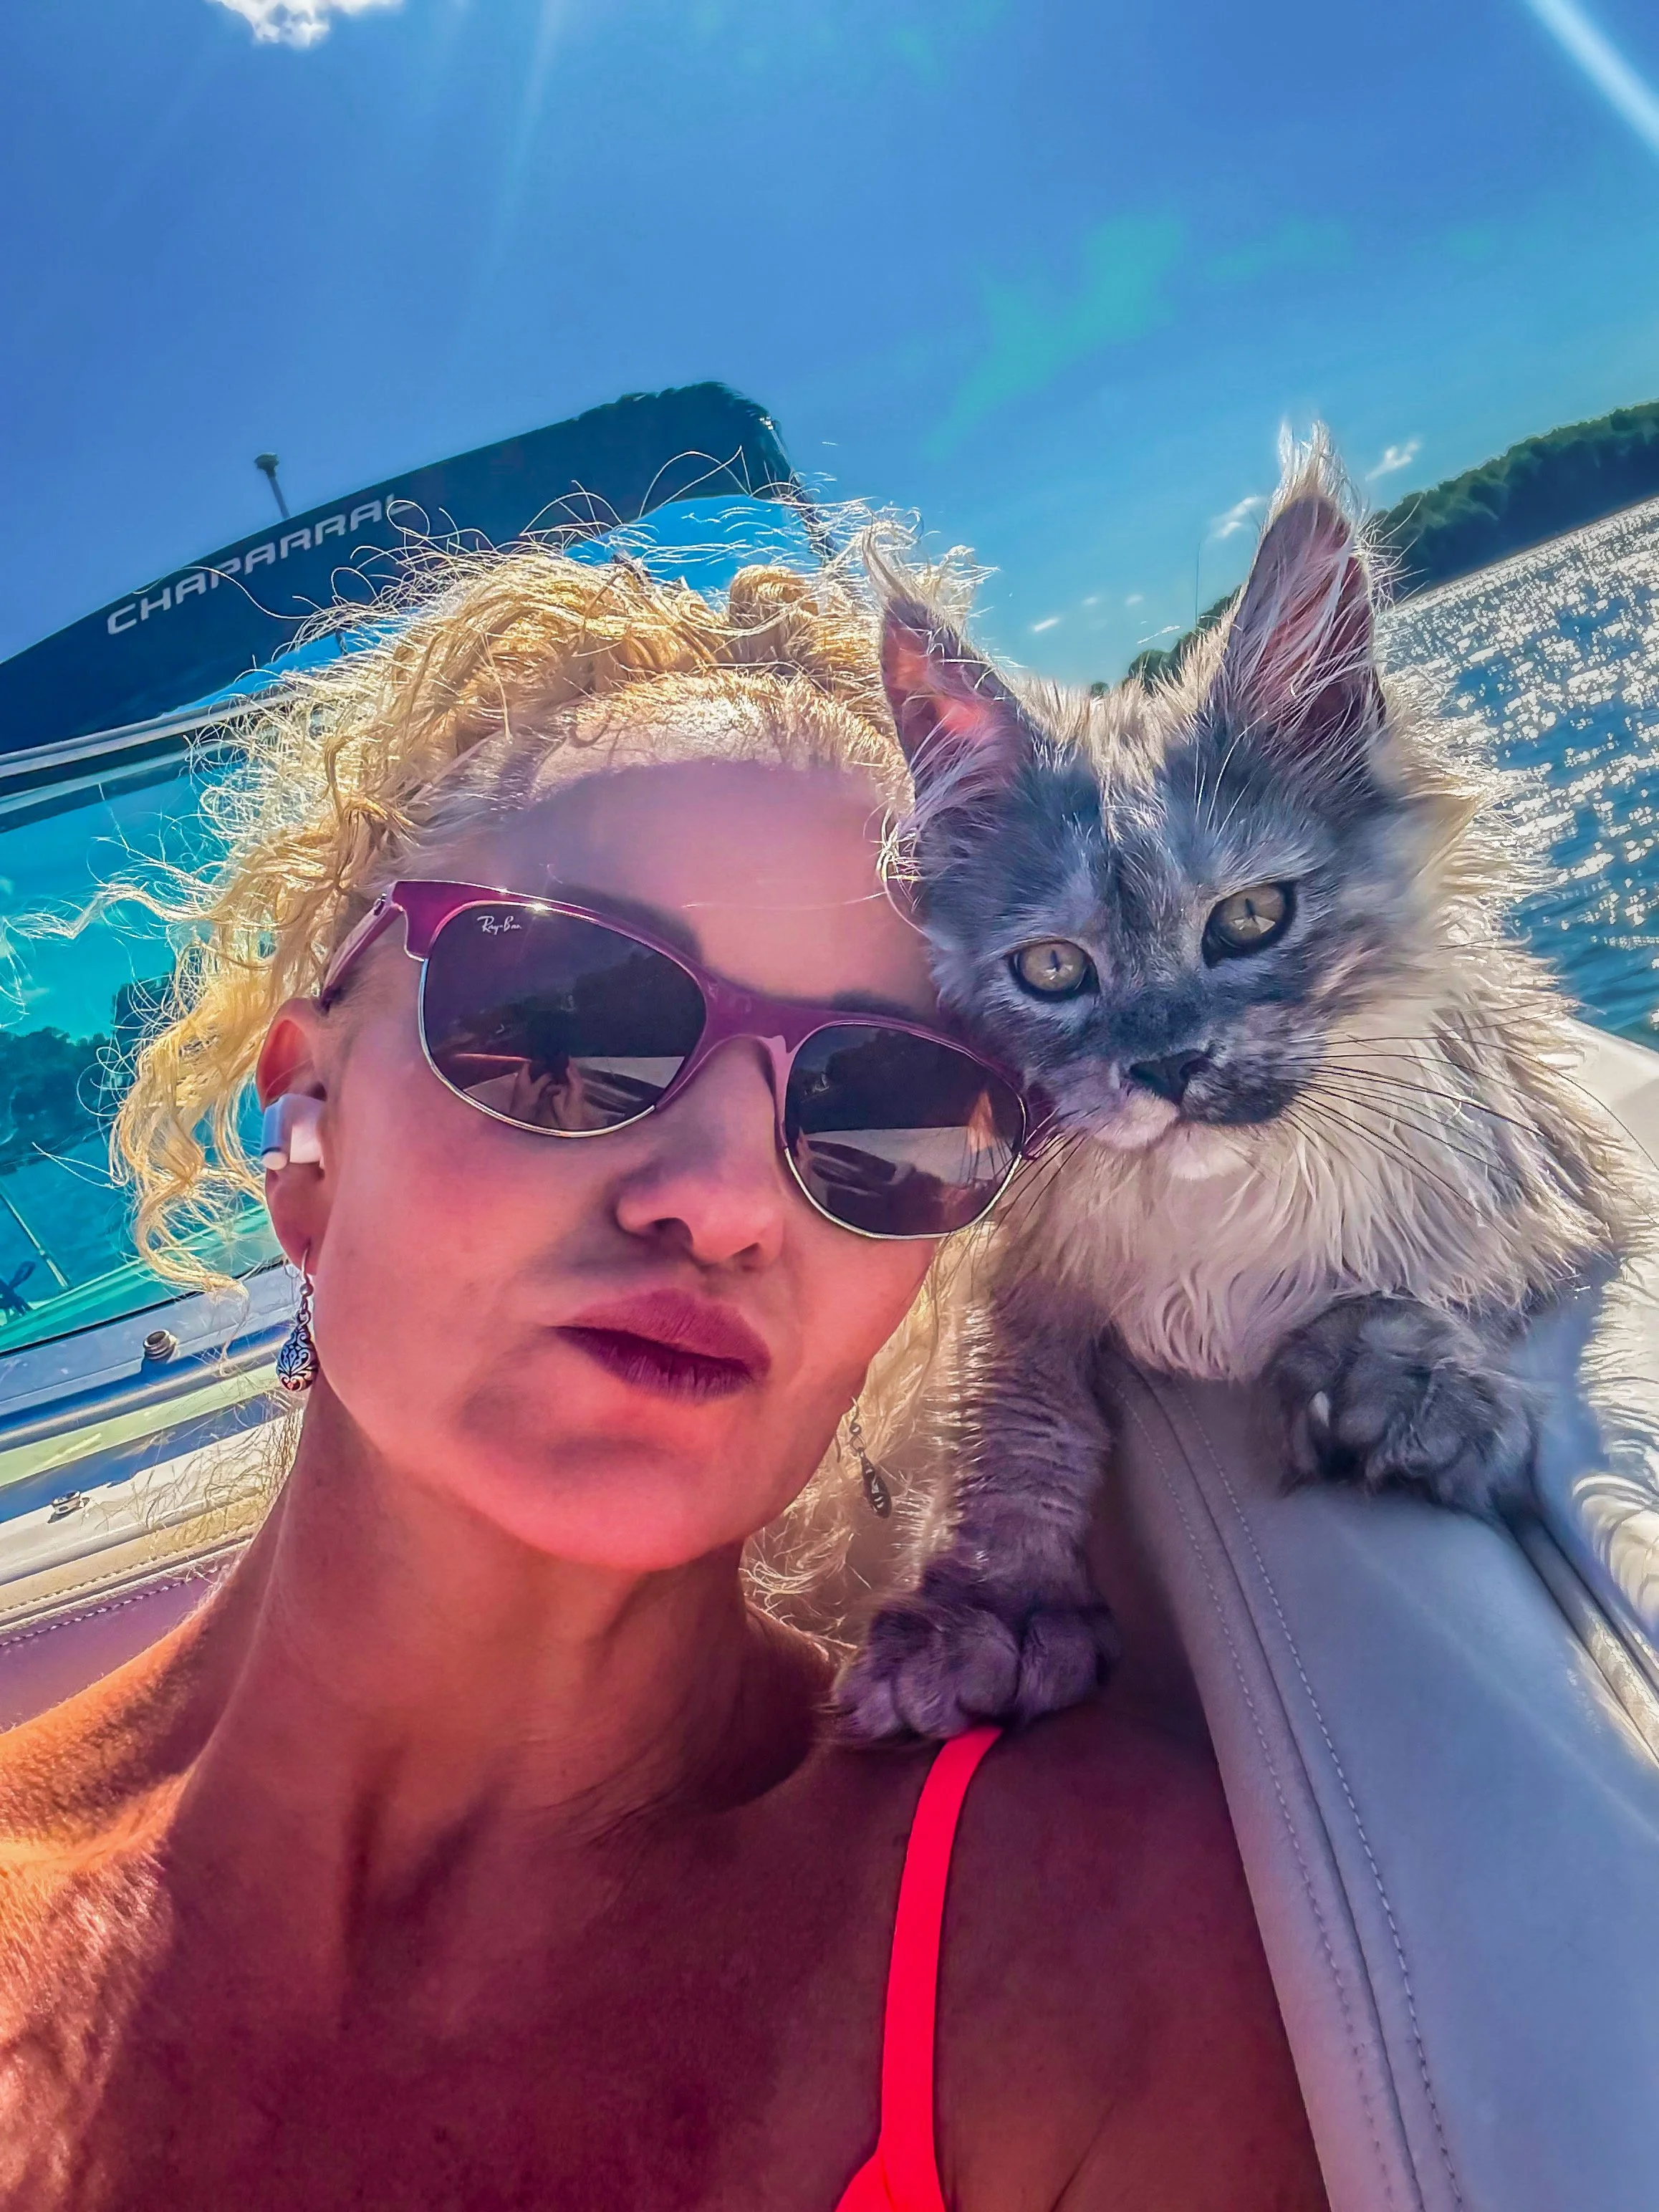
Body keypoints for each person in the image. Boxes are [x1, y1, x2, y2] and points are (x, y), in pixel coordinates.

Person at [0, 544, 1328, 2210]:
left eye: (890, 1108)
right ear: (307, 1136)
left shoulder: (1080, 1962)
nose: (721, 1198)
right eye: (564, 1022)